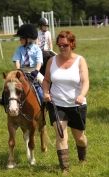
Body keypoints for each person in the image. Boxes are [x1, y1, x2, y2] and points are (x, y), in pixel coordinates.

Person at [42, 30, 89, 175]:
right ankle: (65, 169)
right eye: (59, 45)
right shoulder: (52, 61)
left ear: (72, 44)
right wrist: (45, 92)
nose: (62, 48)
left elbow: (85, 81)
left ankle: (82, 158)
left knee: (79, 137)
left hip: (77, 105)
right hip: (57, 105)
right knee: (61, 136)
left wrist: (82, 95)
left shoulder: (80, 60)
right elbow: (46, 80)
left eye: (65, 45)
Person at [0, 24, 44, 105]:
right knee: (9, 81)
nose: (20, 40)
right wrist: (18, 70)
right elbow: (17, 60)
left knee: (43, 82)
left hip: (33, 70)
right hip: (21, 71)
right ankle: (3, 98)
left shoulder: (37, 49)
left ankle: (45, 99)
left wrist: (36, 71)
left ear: (28, 39)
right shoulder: (19, 49)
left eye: (21, 38)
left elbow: (39, 61)